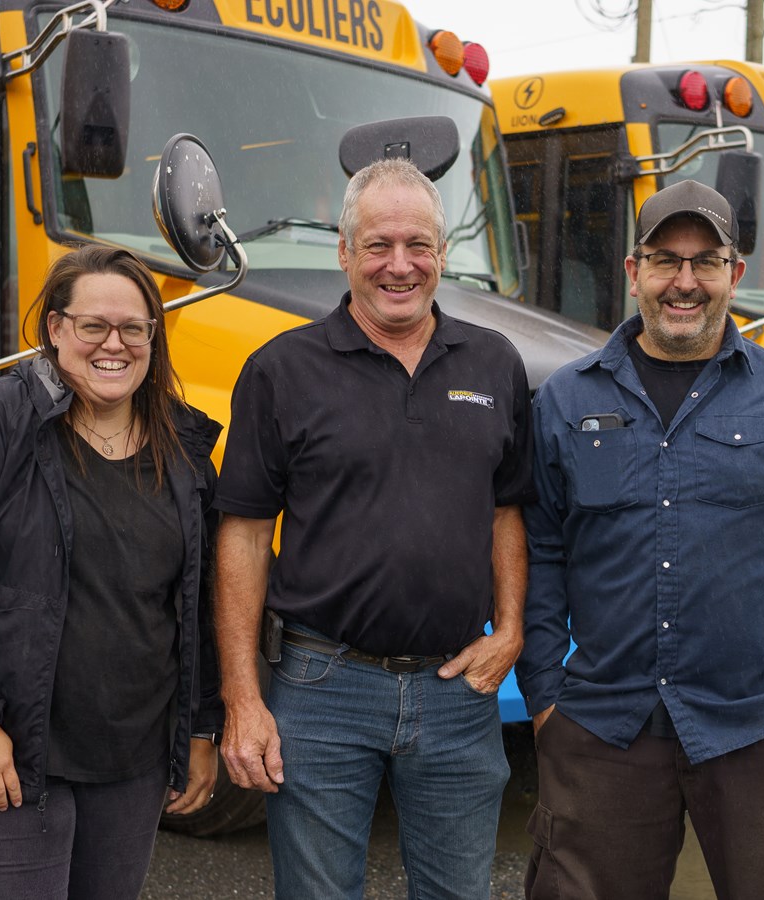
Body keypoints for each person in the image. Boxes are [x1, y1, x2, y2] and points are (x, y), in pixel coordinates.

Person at [517, 180, 764, 900]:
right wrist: (545, 694)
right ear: (633, 272)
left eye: (705, 261)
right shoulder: (566, 400)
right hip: (601, 730)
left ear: (734, 274)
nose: (684, 282)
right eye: (664, 260)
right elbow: (541, 548)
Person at [213, 157, 532, 900]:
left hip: (459, 691)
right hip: (322, 686)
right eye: (379, 245)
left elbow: (507, 507)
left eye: (418, 245)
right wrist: (242, 698)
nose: (400, 265)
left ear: (443, 254)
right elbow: (244, 538)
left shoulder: (494, 365)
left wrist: (510, 627)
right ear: (344, 252)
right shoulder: (281, 370)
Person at [0, 245, 223, 900]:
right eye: (93, 326)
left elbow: (196, 604)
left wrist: (201, 726)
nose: (113, 344)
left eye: (133, 328)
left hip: (131, 760)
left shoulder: (183, 448)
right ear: (57, 329)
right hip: (5, 753)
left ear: (153, 336)